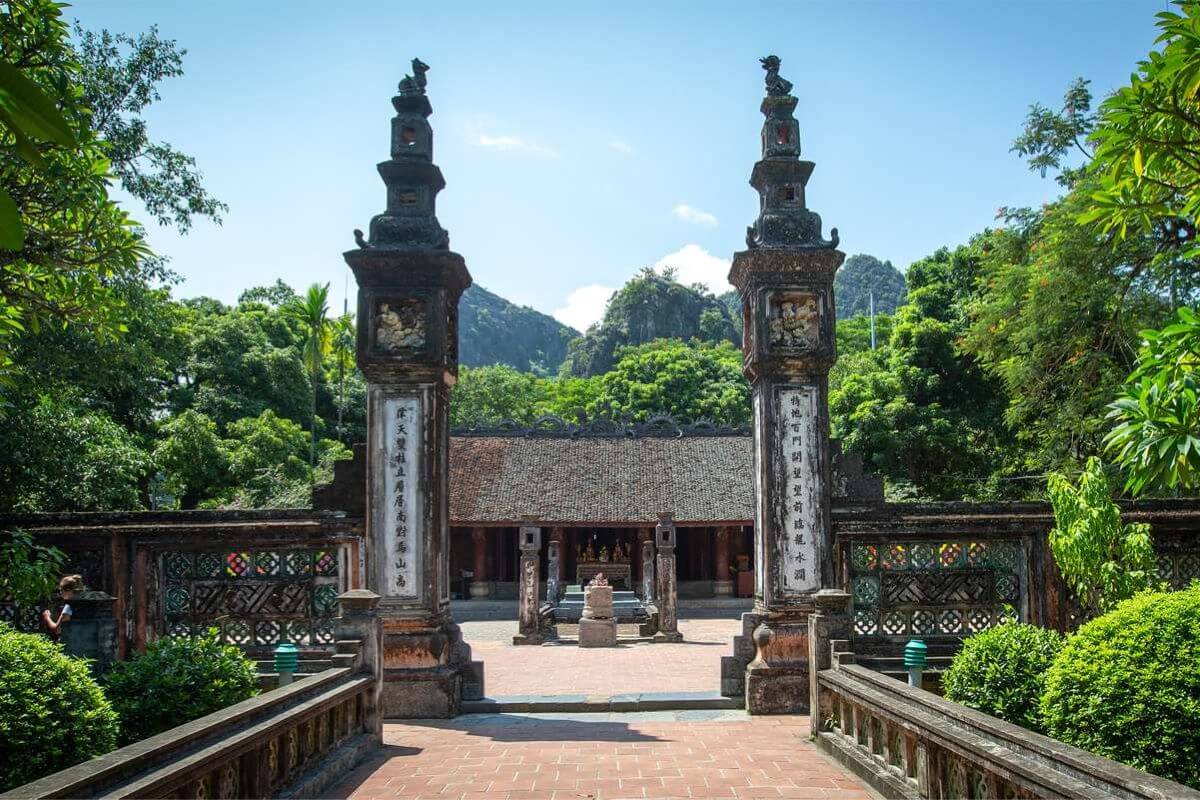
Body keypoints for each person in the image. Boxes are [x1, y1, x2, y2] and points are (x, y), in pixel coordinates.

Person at [41, 574, 84, 641]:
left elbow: (57, 630)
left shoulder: (69, 607)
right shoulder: (86, 604)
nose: (60, 593)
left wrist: (47, 617)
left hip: (70, 642)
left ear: (69, 590)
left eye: (61, 590)